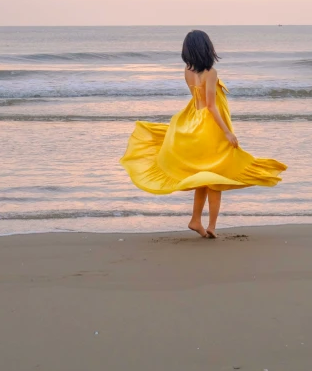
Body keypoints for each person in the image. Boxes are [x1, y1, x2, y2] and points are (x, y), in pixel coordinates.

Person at [120, 30, 287, 238]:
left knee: (203, 176)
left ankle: (195, 220)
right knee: (216, 178)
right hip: (210, 129)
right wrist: (227, 132)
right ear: (207, 48)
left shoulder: (187, 71)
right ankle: (212, 227)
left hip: (193, 124)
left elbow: (197, 101)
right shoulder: (211, 72)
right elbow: (211, 106)